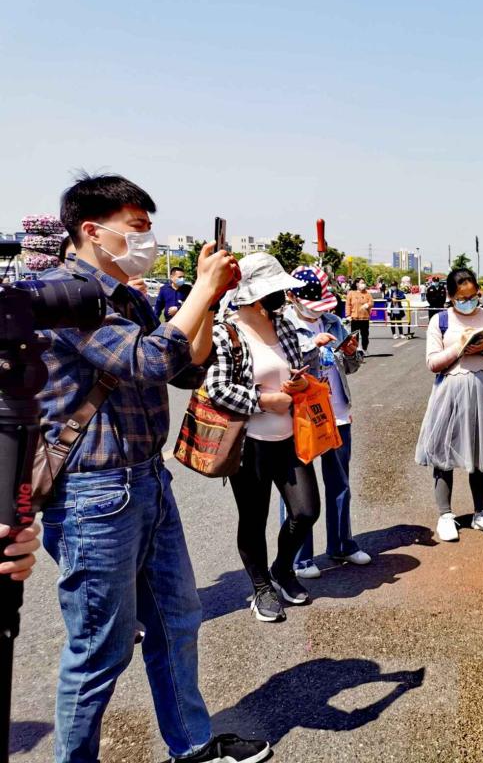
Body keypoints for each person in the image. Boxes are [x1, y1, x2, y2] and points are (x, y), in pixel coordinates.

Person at [39, 174, 269, 763]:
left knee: (177, 621)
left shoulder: (130, 298)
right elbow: (145, 360)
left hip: (146, 479)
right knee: (100, 649)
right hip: (93, 493)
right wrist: (201, 288)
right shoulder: (61, 295)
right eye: (137, 227)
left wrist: (208, 302)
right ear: (93, 231)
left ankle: (191, 745)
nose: (147, 239)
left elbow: (184, 368)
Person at [205, 253, 320, 624]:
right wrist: (263, 400)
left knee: (306, 511)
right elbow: (218, 388)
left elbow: (297, 368)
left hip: (290, 438)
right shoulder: (226, 332)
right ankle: (261, 587)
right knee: (254, 518)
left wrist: (299, 384)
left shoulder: (283, 325)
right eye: (275, 291)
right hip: (249, 444)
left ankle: (282, 569)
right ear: (255, 296)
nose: (282, 298)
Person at [279, 266, 371, 579]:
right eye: (310, 303)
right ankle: (299, 557)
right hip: (302, 416)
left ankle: (342, 544)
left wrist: (351, 352)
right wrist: (312, 346)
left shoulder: (333, 321)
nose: (316, 310)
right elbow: (283, 368)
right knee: (297, 491)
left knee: (340, 483)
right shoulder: (282, 326)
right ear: (291, 296)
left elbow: (350, 366)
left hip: (337, 413)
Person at [416, 269, 483, 542]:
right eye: (461, 298)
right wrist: (459, 348)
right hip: (450, 395)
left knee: (480, 454)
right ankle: (445, 515)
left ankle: (481, 512)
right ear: (450, 295)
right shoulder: (441, 320)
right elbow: (432, 362)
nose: (468, 302)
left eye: (472, 296)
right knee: (444, 453)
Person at [345, 276, 373, 350]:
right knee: (354, 336)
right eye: (362, 283)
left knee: (365, 336)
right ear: (357, 284)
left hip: (364, 318)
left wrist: (368, 305)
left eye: (364, 283)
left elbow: (371, 302)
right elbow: (348, 305)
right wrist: (348, 315)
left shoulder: (367, 293)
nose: (363, 284)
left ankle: (364, 349)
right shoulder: (351, 293)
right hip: (354, 318)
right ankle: (356, 350)